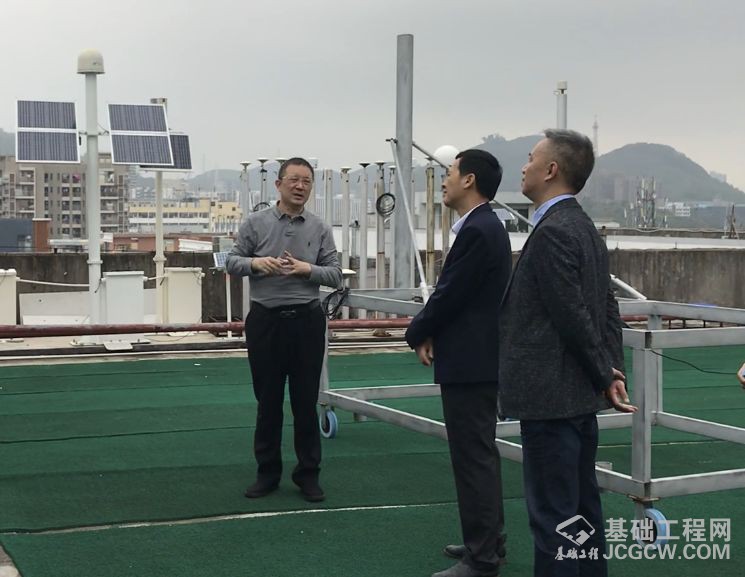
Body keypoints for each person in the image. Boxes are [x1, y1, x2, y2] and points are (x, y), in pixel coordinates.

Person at [498, 129, 637, 577]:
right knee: (581, 513)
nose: (524, 166)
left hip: (551, 399)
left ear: (551, 170)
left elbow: (573, 315)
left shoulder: (554, 231)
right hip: (577, 397)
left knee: (554, 519)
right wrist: (610, 371)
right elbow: (606, 307)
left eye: (531, 158)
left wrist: (605, 373)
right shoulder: (584, 228)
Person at [406, 149, 512, 577]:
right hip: (475, 358)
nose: (444, 180)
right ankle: (488, 542)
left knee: (473, 458)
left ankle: (482, 558)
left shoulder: (479, 230)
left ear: (469, 180)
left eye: (449, 172)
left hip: (472, 362)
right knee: (479, 454)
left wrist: (416, 331)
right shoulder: (484, 226)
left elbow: (450, 294)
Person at [226, 157, 342, 503]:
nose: (300, 186)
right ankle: (267, 473)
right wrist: (256, 263)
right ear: (278, 184)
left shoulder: (319, 227)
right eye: (294, 179)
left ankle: (308, 474)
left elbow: (336, 274)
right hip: (266, 322)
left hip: (307, 321)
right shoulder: (256, 223)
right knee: (269, 402)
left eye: (306, 181)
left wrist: (307, 269)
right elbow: (230, 261)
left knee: (305, 402)